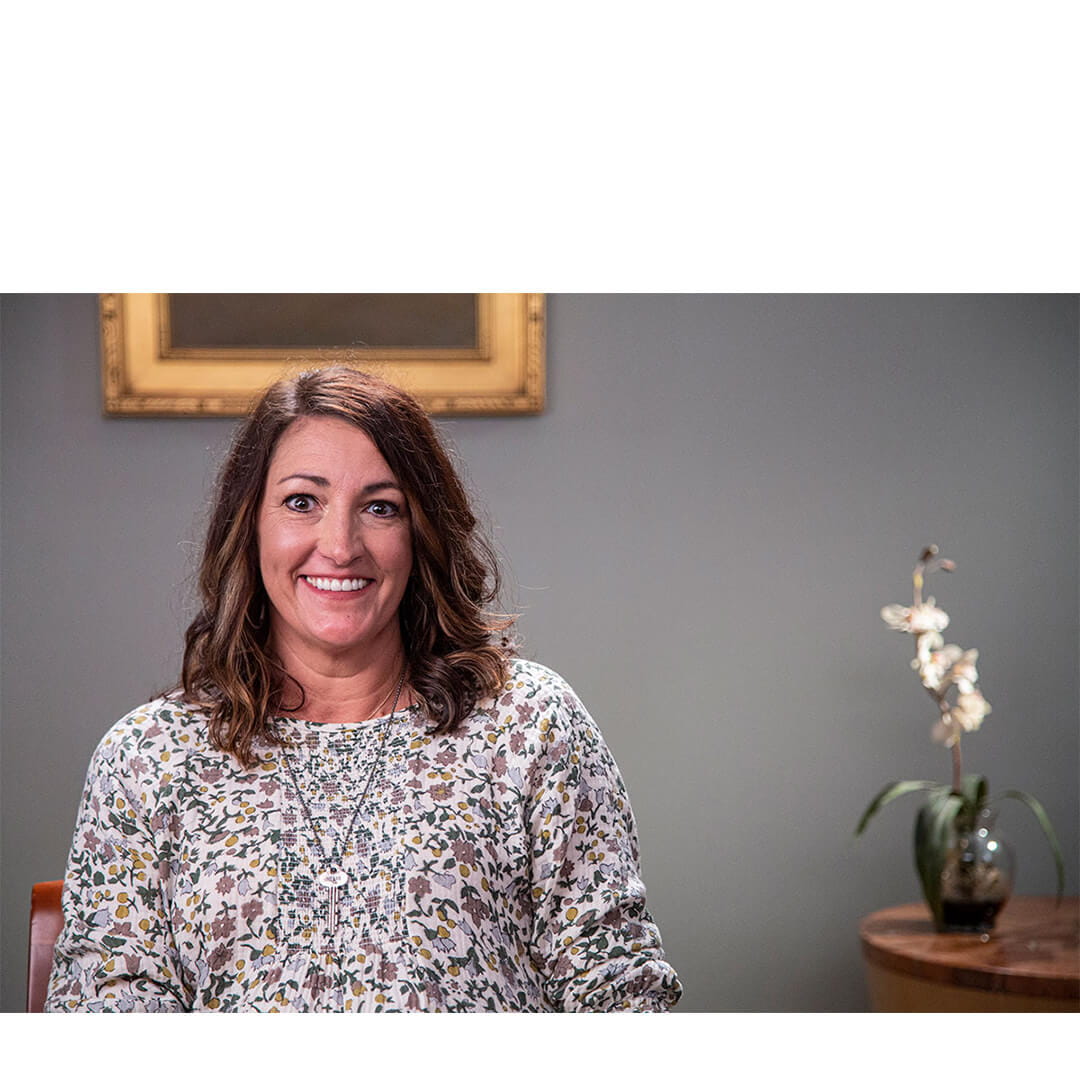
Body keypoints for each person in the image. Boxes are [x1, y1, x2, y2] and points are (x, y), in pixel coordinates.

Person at [45, 365, 681, 1012]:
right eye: (302, 502)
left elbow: (620, 997)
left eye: (380, 508)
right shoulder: (148, 760)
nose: (340, 545)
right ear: (251, 526)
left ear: (420, 534)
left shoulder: (530, 727)